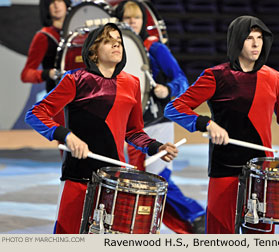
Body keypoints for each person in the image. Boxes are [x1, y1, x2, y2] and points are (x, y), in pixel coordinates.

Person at [164, 15, 279, 234]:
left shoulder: (274, 77)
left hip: (262, 171)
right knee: (220, 236)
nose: (256, 44)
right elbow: (174, 108)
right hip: (225, 167)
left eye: (259, 38)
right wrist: (206, 124)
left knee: (261, 236)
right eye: (249, 38)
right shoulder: (216, 76)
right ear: (237, 41)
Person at [25, 23, 178, 234]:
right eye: (109, 40)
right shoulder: (74, 79)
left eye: (119, 41)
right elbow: (35, 114)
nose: (117, 44)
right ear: (93, 51)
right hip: (77, 176)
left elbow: (133, 131)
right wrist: (66, 136)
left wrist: (156, 147)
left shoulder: (132, 83)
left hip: (113, 179)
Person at [114, 0, 206, 234]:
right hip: (131, 124)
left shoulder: (155, 47)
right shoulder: (114, 49)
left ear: (144, 21)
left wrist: (169, 90)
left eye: (136, 18)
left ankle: (195, 214)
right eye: (126, 18)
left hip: (157, 122)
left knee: (156, 178)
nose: (132, 22)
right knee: (139, 180)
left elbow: (182, 81)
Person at [21, 0, 70, 133]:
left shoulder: (79, 32)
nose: (56, 5)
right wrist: (48, 73)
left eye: (59, 0)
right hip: (59, 98)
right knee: (69, 145)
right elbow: (26, 74)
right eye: (51, 2)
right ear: (46, 8)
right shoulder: (43, 36)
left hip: (84, 95)